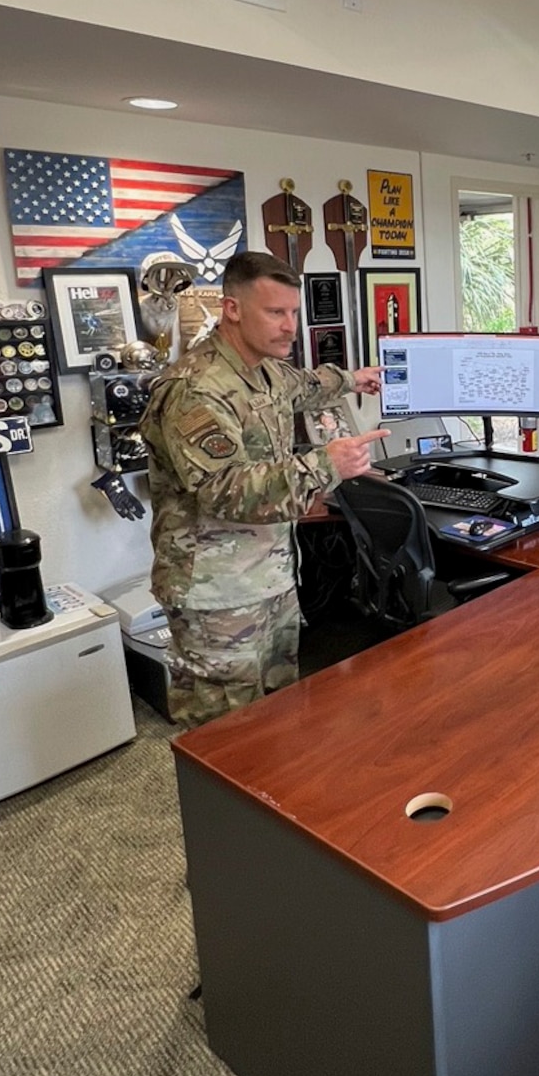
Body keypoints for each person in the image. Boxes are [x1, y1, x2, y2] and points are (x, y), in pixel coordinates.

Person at [140, 249, 386, 726]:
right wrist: (324, 464)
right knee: (225, 738)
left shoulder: (265, 368)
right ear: (232, 309)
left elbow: (304, 385)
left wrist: (352, 379)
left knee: (278, 722)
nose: (290, 326)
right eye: (276, 312)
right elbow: (222, 489)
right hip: (217, 593)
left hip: (271, 578)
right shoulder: (196, 389)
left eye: (293, 312)